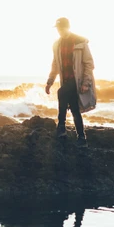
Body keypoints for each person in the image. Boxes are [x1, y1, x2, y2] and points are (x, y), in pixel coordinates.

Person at [45, 17, 96, 148]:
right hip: (66, 80)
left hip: (77, 80)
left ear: (68, 27)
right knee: (74, 108)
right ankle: (82, 138)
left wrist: (85, 82)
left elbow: (89, 64)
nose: (59, 31)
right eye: (58, 29)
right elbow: (55, 64)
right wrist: (50, 80)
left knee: (61, 93)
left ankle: (61, 126)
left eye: (61, 28)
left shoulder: (80, 42)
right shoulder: (57, 45)